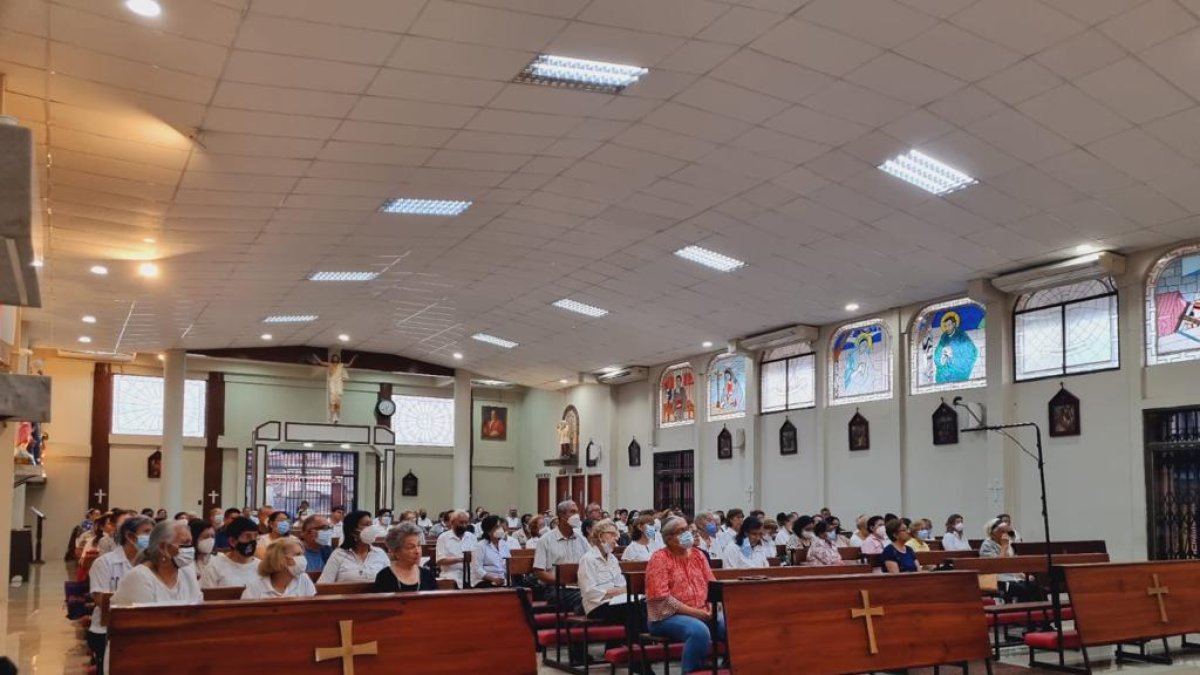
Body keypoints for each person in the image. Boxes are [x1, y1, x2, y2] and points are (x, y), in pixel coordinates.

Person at [646, 516, 724, 675]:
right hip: (666, 617)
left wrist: (712, 606)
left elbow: (712, 584)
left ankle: (729, 667)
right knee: (698, 631)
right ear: (669, 538)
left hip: (703, 611)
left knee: (730, 624)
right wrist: (697, 613)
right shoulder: (659, 558)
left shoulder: (698, 555)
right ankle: (691, 671)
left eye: (687, 528)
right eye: (681, 531)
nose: (688, 533)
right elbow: (661, 598)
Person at [87, 515, 153, 675]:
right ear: (130, 536)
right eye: (147, 532)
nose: (151, 537)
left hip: (143, 628)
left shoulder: (152, 564)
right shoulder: (104, 563)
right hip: (106, 629)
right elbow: (100, 600)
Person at [112, 519, 202, 606]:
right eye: (185, 543)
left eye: (191, 543)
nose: (191, 548)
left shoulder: (187, 573)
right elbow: (142, 615)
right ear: (163, 547)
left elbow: (199, 609)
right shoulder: (139, 577)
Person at [319, 510, 390, 583]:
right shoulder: (338, 555)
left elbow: (391, 580)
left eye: (371, 524)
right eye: (366, 524)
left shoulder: (379, 553)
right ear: (353, 531)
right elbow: (323, 584)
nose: (371, 528)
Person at [980, 518, 1040, 602]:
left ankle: (1035, 609)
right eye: (1001, 531)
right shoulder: (987, 545)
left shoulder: (1008, 543)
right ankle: (1022, 609)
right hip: (998, 579)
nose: (1004, 534)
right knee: (1023, 589)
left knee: (1036, 587)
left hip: (1013, 577)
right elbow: (996, 566)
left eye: (1005, 532)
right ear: (992, 533)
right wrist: (1004, 547)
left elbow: (1012, 564)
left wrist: (1023, 575)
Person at [241, 538, 316, 599]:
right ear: (281, 559)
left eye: (302, 554)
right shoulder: (255, 588)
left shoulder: (303, 579)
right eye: (298, 554)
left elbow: (312, 608)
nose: (303, 558)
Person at [374, 522, 437, 592]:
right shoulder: (384, 576)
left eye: (419, 545)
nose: (417, 551)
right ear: (396, 551)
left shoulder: (427, 575)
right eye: (410, 547)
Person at [201, 516, 261, 588]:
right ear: (232, 541)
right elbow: (208, 593)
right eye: (247, 536)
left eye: (256, 536)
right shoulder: (214, 566)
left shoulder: (262, 567)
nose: (253, 540)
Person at [435, 509, 476, 588]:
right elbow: (439, 561)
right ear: (452, 522)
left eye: (466, 523)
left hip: (471, 574)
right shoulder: (443, 538)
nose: (464, 525)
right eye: (461, 523)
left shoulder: (471, 537)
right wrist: (461, 559)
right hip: (451, 575)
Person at [470, 515, 511, 588]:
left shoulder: (504, 544)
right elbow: (477, 568)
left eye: (500, 526)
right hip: (484, 580)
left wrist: (504, 578)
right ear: (488, 531)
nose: (500, 529)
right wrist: (493, 578)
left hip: (502, 580)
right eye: (497, 527)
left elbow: (507, 564)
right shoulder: (480, 546)